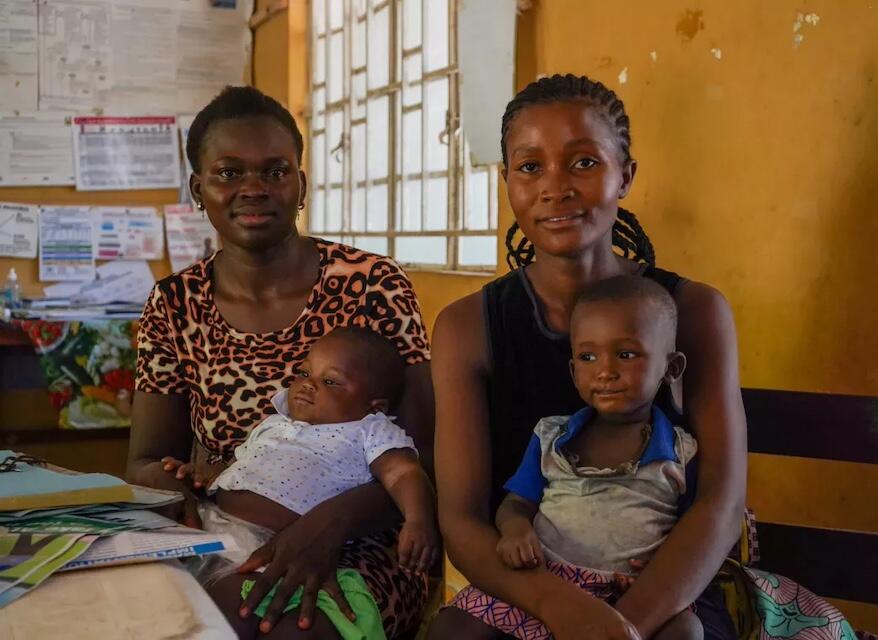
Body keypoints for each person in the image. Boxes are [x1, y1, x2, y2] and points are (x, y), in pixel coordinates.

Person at [428, 74, 747, 640]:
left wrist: (621, 626)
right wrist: (564, 610)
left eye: (582, 163)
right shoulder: (467, 328)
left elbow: (721, 501)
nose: (555, 187)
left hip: (666, 587)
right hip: (530, 584)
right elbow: (462, 521)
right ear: (507, 183)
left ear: (625, 175)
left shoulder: (694, 311)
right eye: (530, 167)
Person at [128, 85, 434, 639]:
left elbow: (423, 452)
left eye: (275, 172)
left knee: (273, 627)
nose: (252, 189)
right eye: (228, 173)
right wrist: (174, 484)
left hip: (363, 535)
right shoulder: (174, 304)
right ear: (199, 188)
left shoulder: (370, 284)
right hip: (223, 524)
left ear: (301, 185)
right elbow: (147, 460)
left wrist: (331, 521)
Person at [451, 275, 702, 640]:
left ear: (671, 368)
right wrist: (515, 530)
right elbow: (517, 503)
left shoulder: (681, 452)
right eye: (587, 357)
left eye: (626, 354)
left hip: (631, 592)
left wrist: (662, 566)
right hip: (548, 584)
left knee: (687, 631)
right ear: (573, 371)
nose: (605, 371)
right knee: (455, 625)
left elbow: (696, 529)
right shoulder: (551, 438)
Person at [163, 327, 438, 640]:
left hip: (279, 549)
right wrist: (206, 474)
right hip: (215, 530)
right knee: (185, 612)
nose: (309, 384)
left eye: (330, 381)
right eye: (305, 372)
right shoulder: (276, 422)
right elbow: (243, 463)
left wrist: (417, 518)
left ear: (375, 406)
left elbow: (403, 473)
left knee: (229, 616)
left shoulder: (368, 430)